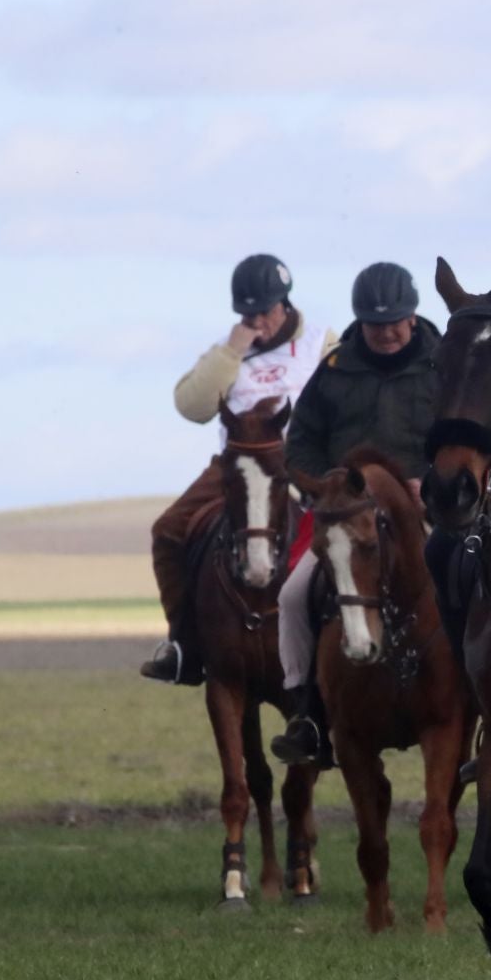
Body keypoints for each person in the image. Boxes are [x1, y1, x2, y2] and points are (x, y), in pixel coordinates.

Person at [269, 262, 443, 767]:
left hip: (428, 513)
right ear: (359, 322)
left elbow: (470, 435)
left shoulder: (444, 364)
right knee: (292, 594)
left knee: (482, 587)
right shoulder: (335, 369)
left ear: (413, 317)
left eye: (394, 322)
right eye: (374, 324)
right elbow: (298, 445)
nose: (385, 333)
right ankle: (307, 715)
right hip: (351, 518)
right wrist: (328, 488)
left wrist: (432, 481)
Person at [142, 254, 335, 684]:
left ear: (284, 304)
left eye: (264, 311)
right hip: (235, 467)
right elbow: (191, 408)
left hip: (300, 461)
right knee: (168, 530)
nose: (257, 321)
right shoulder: (227, 352)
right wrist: (232, 350)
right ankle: (184, 644)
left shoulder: (320, 343)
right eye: (248, 314)